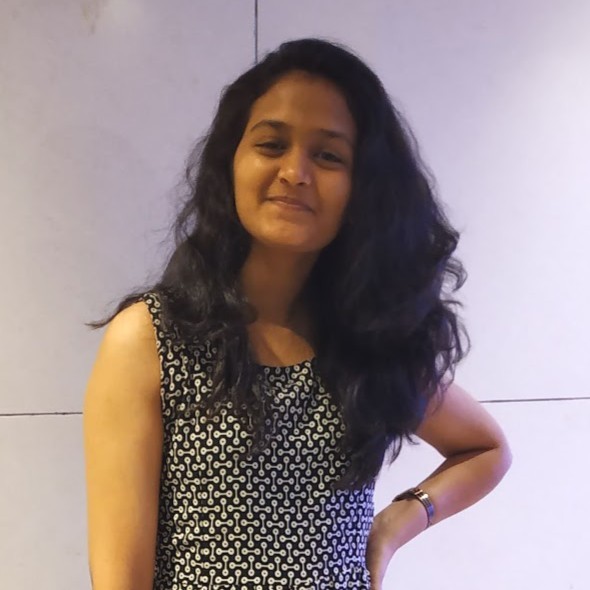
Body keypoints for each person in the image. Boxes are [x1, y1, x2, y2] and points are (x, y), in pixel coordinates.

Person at [83, 38, 512, 590]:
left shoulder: (368, 343)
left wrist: (397, 523)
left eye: (328, 155)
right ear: (231, 162)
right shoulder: (152, 339)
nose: (295, 172)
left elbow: (486, 449)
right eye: (271, 144)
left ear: (363, 188)